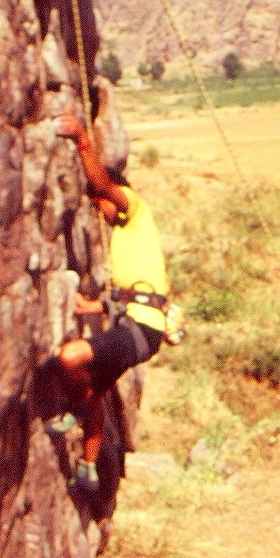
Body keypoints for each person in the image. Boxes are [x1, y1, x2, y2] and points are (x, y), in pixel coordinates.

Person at [45, 109, 170, 498]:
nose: (101, 210)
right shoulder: (127, 237)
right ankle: (87, 470)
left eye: (102, 201)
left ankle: (76, 411)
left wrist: (84, 141)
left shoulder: (133, 209)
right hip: (137, 325)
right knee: (96, 393)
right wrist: (96, 308)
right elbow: (134, 290)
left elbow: (102, 181)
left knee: (71, 358)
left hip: (142, 329)